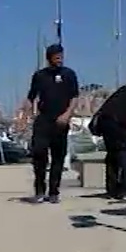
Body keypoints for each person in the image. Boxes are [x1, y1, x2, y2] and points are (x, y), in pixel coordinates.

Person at [22, 43, 80, 203]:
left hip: (61, 120)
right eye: (57, 57)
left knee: (58, 157)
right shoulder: (40, 76)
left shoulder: (69, 74)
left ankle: (54, 192)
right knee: (39, 152)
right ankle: (39, 190)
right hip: (44, 119)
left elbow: (74, 97)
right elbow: (30, 97)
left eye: (61, 56)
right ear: (49, 58)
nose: (60, 59)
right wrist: (23, 117)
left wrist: (67, 114)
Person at [92, 83, 126, 200]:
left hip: (106, 124)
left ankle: (112, 189)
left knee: (113, 155)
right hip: (120, 125)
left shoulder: (123, 91)